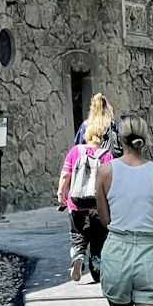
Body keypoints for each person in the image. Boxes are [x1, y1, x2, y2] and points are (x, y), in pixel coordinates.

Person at [94, 113, 153, 306]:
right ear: (144, 138)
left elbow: (105, 219)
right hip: (149, 253)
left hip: (117, 251)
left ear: (120, 138)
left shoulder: (105, 171)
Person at [58, 95, 114, 281]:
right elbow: (111, 180)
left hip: (76, 201)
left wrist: (61, 194)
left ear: (85, 135)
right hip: (97, 203)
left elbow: (66, 175)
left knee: (78, 233)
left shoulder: (76, 151)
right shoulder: (106, 155)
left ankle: (78, 257)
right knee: (98, 237)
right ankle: (97, 270)